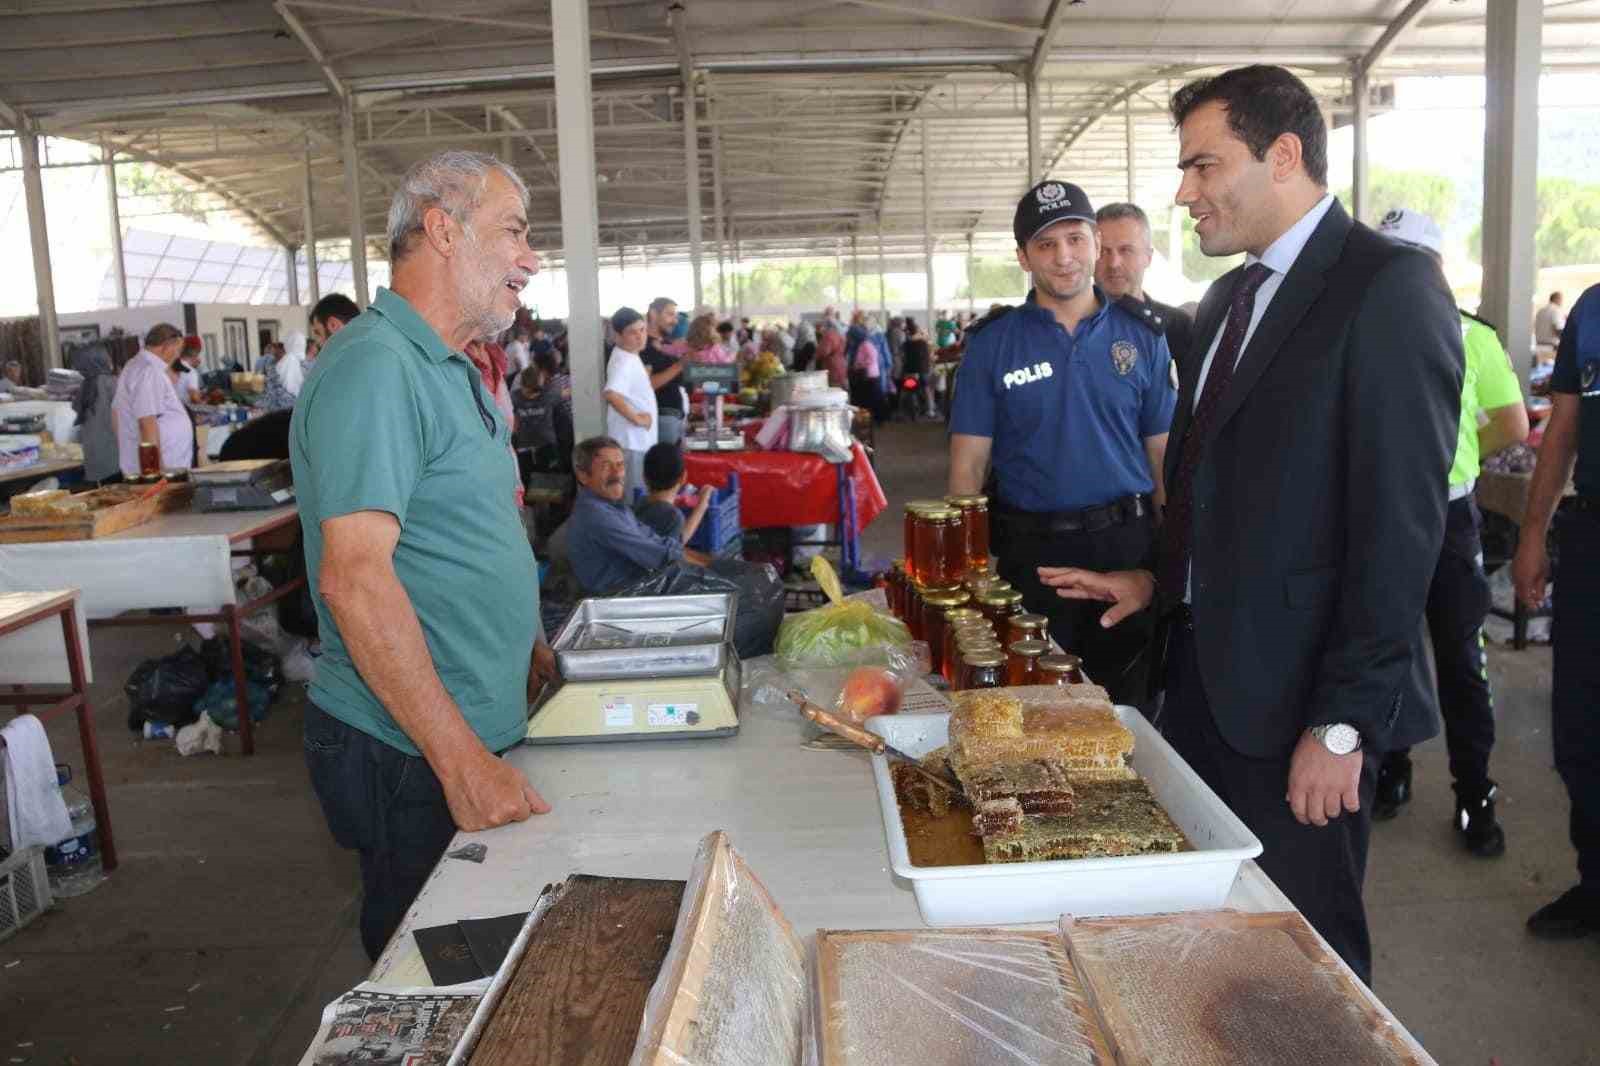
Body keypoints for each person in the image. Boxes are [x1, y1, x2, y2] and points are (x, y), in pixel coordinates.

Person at [1038, 65, 1461, 985]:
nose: (1184, 193)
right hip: (1199, 687)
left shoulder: (1386, 288)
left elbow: (1399, 530)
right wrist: (1157, 579)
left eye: (1202, 166)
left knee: (1307, 959)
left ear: (1283, 155)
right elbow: (1209, 482)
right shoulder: (1227, 301)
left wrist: (1344, 724)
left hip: (1301, 707)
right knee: (1211, 939)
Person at [290, 148, 552, 962]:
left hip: (466, 724)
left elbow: (466, 530)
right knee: (436, 972)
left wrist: (525, 644)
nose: (530, 259)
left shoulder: (447, 365)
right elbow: (356, 581)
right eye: (513, 231)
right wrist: (461, 762)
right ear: (443, 230)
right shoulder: (376, 367)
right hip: (413, 751)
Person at [948, 178, 1175, 707]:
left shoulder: (1142, 336)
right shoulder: (992, 344)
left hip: (1126, 550)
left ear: (1095, 240)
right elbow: (967, 469)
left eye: (1075, 238)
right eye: (1046, 244)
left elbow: (1163, 459)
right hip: (1033, 561)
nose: (1064, 257)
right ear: (1023, 257)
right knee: (1038, 717)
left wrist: (1165, 571)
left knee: (1128, 714)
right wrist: (967, 580)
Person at [1372, 209, 1529, 857]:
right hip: (1382, 520)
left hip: (1447, 520)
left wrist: (1457, 456)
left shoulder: (1475, 337)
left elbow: (1513, 427)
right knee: (1384, 653)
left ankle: (1474, 794)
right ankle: (1394, 768)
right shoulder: (1363, 332)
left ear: (1435, 266)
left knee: (1461, 660)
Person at [1512, 280, 1600, 939]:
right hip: (1593, 539)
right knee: (1579, 726)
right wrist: (1532, 532)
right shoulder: (1592, 311)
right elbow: (1563, 428)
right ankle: (1595, 884)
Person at [566, 436, 711, 594]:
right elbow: (660, 555)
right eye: (606, 466)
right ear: (583, 476)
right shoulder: (596, 515)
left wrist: (711, 563)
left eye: (620, 465)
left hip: (638, 586)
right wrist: (715, 569)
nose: (617, 473)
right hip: (619, 600)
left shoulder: (615, 507)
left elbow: (659, 542)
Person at [1096, 202, 1196, 374]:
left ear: (1148, 257)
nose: (1114, 263)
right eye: (1103, 252)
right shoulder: (1070, 324)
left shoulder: (1177, 327)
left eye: (1126, 250)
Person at [111, 323, 194, 476]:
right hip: (163, 467)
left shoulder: (134, 365)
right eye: (177, 349)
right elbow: (146, 422)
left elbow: (116, 414)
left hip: (149, 463)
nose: (177, 355)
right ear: (167, 346)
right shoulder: (149, 371)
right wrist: (156, 472)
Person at [602, 306, 657, 501]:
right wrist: (638, 419)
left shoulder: (630, 356)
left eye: (642, 330)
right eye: (632, 332)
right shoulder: (623, 360)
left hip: (637, 442)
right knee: (634, 500)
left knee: (637, 498)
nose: (640, 336)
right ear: (617, 335)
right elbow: (611, 394)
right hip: (631, 442)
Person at [634, 442, 714, 543]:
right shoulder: (673, 517)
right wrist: (702, 505)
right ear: (683, 478)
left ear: (644, 477)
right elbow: (680, 542)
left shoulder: (641, 502)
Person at [70, 343, 120, 483]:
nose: (110, 360)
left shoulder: (84, 387)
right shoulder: (111, 384)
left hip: (95, 459)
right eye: (107, 357)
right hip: (115, 457)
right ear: (100, 360)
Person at [641, 296, 688, 446]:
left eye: (675, 316)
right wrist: (680, 365)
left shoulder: (668, 344)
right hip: (660, 418)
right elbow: (646, 386)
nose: (675, 320)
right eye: (670, 314)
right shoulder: (642, 345)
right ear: (654, 314)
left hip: (675, 417)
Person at [816, 318, 847, 389]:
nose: (822, 328)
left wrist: (817, 352)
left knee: (833, 389)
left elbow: (824, 352)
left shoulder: (829, 336)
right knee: (841, 387)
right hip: (841, 363)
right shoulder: (841, 335)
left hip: (831, 365)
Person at [174, 336, 205, 404]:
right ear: (196, 352)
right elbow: (194, 397)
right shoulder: (190, 372)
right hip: (183, 410)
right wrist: (204, 403)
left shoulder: (171, 367)